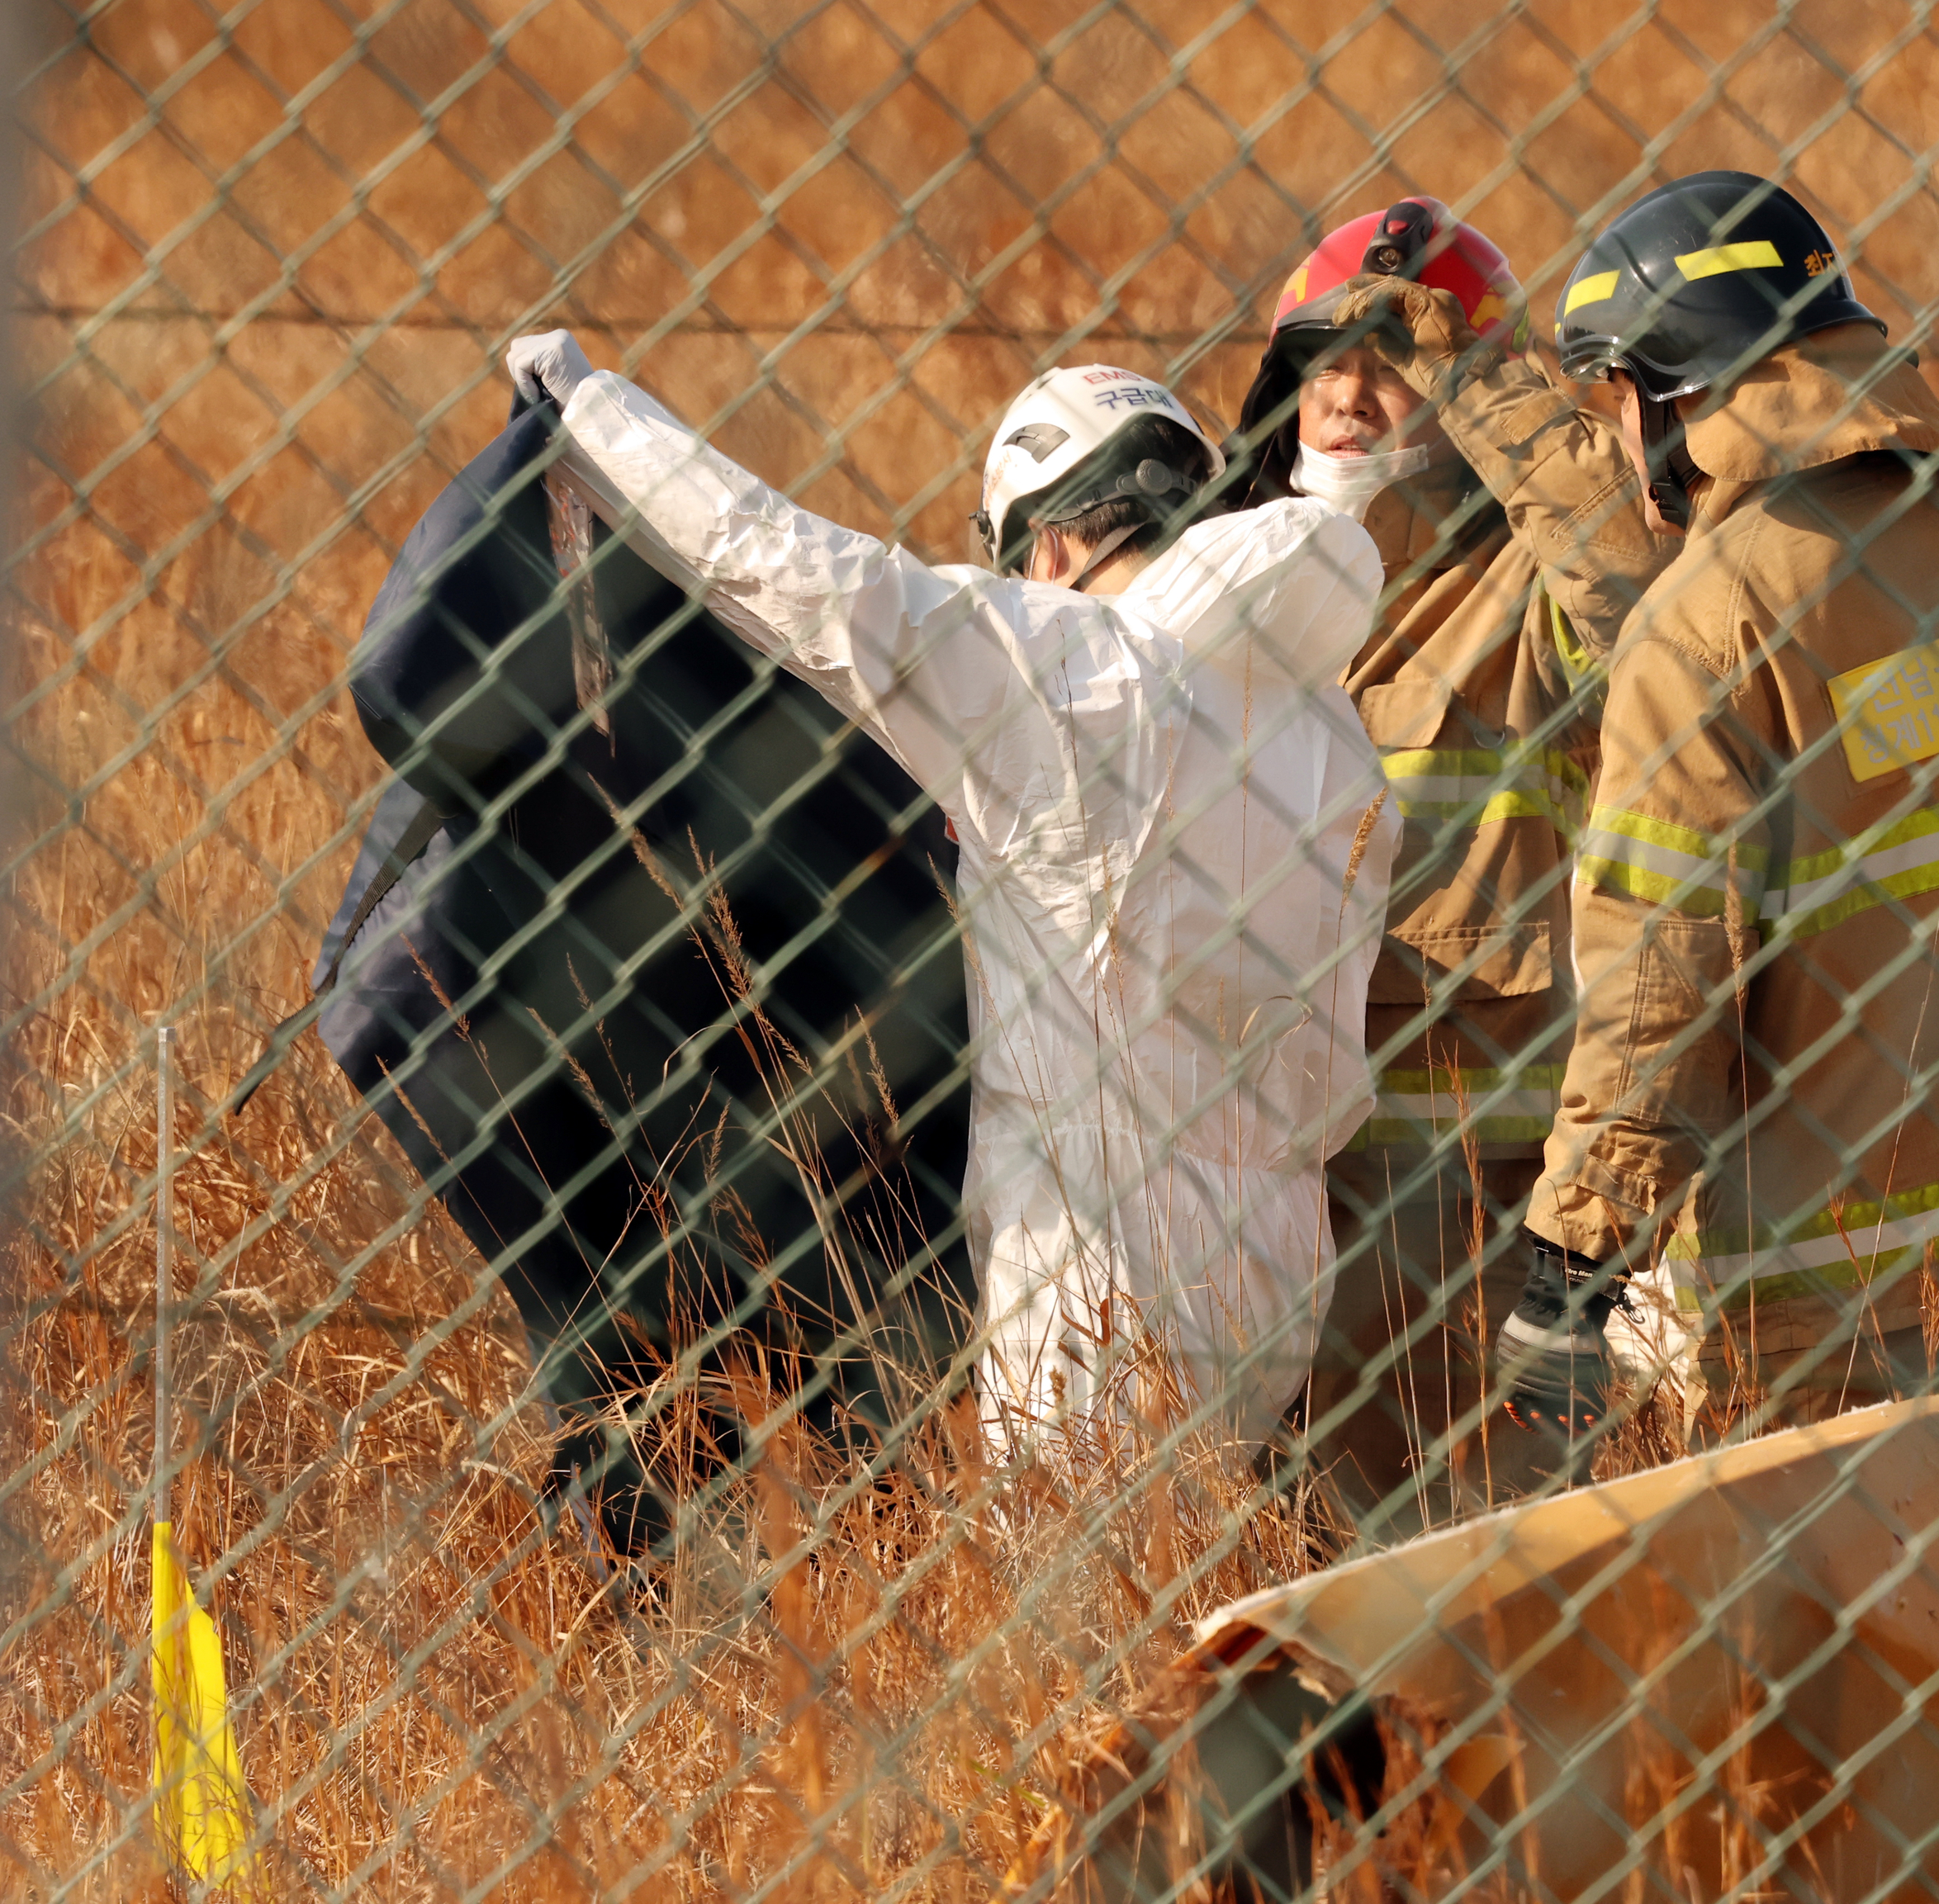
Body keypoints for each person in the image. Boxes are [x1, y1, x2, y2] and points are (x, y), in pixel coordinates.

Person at [1365, 169, 1939, 1440]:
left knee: (1815, 1622)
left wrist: (1575, 1268)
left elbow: (1667, 967)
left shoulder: (1710, 623)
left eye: (1621, 397)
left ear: (1674, 396)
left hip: (1835, 1283)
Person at [509, 331, 1394, 1466]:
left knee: (1077, 1622)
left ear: (1057, 538)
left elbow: (800, 573)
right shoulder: (1327, 730)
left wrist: (593, 415)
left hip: (1094, 1264)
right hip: (1281, 1267)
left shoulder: (1065, 665)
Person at [307, 364, 974, 1564]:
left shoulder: (595, 702)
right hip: (527, 1043)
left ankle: (671, 1630)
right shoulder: (724, 681)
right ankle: (701, 1619)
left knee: (638, 1376)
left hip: (492, 1029)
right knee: (657, 1376)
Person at [1222, 197, 1679, 1535]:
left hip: (1450, 1186)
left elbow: (1633, 581)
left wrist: (1482, 379)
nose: (1354, 396)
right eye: (1328, 362)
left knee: (1438, 1549)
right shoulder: (1221, 568)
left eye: (1397, 364)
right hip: (1247, 1164)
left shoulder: (1530, 597)